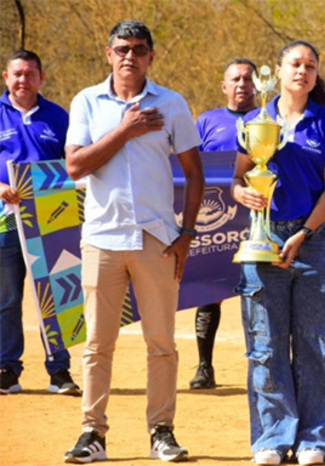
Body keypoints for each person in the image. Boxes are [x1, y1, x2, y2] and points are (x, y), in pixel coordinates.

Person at [62, 20, 203, 463]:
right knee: (97, 345)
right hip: (102, 238)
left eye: (139, 49)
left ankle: (162, 432)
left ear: (151, 56)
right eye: (122, 49)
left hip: (156, 238)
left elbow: (194, 173)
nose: (130, 56)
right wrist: (125, 129)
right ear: (108, 54)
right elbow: (75, 166)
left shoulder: (172, 103)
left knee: (161, 343)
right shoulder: (86, 101)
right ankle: (92, 434)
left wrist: (186, 233)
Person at [232, 40, 325, 466]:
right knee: (266, 345)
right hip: (262, 241)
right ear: (277, 70)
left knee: (319, 345)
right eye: (295, 64)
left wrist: (303, 232)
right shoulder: (253, 121)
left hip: (313, 242)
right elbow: (238, 179)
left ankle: (314, 440)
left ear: (317, 74)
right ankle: (272, 438)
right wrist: (242, 194)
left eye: (310, 66)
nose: (302, 71)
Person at [0, 49, 79, 396]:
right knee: (7, 298)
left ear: (41, 78)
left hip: (51, 220)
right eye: (17, 74)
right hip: (5, 221)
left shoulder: (58, 116)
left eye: (30, 74)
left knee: (56, 297)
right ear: (6, 77)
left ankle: (59, 371)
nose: (23, 80)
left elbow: (74, 164)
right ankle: (7, 369)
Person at [189, 57, 258, 390]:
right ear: (224, 85)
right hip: (216, 220)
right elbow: (189, 168)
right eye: (236, 79)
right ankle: (205, 366)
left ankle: (262, 365)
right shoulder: (206, 121)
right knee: (210, 291)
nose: (242, 84)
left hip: (259, 216)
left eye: (248, 78)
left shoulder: (269, 118)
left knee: (259, 291)